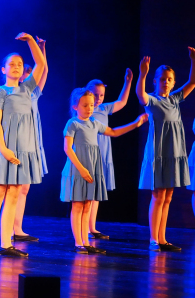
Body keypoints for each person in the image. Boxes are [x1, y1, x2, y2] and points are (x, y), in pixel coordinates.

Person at [0, 33, 45, 259]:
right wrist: (4, 150)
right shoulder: (1, 92)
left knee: (14, 195)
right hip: (1, 146)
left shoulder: (27, 89)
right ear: (3, 69)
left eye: (19, 64)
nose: (16, 67)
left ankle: (6, 243)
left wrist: (31, 42)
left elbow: (41, 64)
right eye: (12, 64)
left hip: (21, 149)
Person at [61, 87, 147, 254]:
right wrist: (82, 169)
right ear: (75, 106)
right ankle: (78, 243)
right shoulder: (73, 123)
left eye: (91, 105)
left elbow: (113, 132)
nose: (89, 108)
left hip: (92, 167)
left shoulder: (94, 123)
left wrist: (136, 124)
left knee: (87, 205)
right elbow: (68, 148)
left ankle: (86, 242)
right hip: (78, 168)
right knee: (78, 206)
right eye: (85, 105)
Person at [138, 50, 195, 252]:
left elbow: (192, 82)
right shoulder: (153, 100)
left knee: (168, 196)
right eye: (162, 79)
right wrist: (142, 74)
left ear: (173, 82)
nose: (166, 82)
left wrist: (193, 61)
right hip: (159, 153)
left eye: (169, 79)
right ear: (155, 81)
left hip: (174, 153)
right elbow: (141, 95)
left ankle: (162, 238)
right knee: (158, 196)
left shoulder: (175, 99)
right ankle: (154, 239)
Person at [85, 68, 133, 238]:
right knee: (88, 192)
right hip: (89, 152)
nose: (98, 98)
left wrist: (128, 82)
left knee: (97, 192)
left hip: (103, 151)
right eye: (95, 94)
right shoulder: (85, 109)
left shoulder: (104, 108)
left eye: (101, 95)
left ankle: (92, 227)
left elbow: (122, 102)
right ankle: (84, 228)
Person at [13, 36, 48, 242]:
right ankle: (10, 229)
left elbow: (44, 69)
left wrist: (42, 48)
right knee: (14, 188)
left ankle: (17, 228)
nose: (29, 79)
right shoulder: (15, 93)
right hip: (19, 142)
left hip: (32, 141)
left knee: (24, 188)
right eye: (26, 76)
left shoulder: (34, 94)